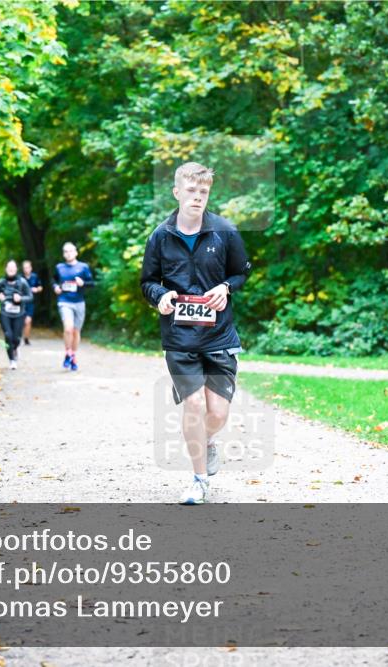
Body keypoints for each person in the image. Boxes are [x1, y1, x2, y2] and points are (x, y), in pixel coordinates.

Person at [139, 162, 250, 505]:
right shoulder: (160, 236)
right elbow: (147, 282)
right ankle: (199, 480)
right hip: (180, 338)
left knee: (217, 414)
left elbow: (242, 272)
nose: (197, 197)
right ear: (177, 192)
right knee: (194, 403)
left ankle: (206, 440)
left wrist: (226, 288)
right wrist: (161, 296)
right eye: (191, 190)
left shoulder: (225, 231)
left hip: (219, 336)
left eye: (203, 191)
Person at [53, 242, 94, 371]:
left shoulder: (83, 267)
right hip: (64, 301)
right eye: (66, 251)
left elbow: (91, 283)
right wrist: (55, 287)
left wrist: (83, 283)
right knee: (68, 329)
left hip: (79, 302)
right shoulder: (59, 267)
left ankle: (73, 355)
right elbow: (54, 280)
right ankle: (68, 352)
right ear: (63, 254)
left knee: (76, 331)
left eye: (71, 251)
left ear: (76, 252)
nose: (68, 253)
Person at [0, 260, 33, 370]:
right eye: (9, 268)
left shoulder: (22, 282)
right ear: (6, 269)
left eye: (13, 268)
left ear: (16, 269)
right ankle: (12, 360)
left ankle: (15, 348)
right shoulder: (1, 282)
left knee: (16, 338)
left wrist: (20, 298)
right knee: (8, 335)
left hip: (19, 314)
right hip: (5, 313)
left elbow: (30, 297)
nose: (11, 269)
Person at [21, 259, 42, 345]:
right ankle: (18, 337)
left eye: (28, 267)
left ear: (31, 268)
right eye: (25, 268)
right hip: (21, 303)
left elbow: (40, 287)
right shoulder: (19, 278)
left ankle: (26, 338)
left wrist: (36, 289)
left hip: (31, 302)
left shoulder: (35, 276)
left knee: (28, 321)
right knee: (21, 321)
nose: (26, 269)